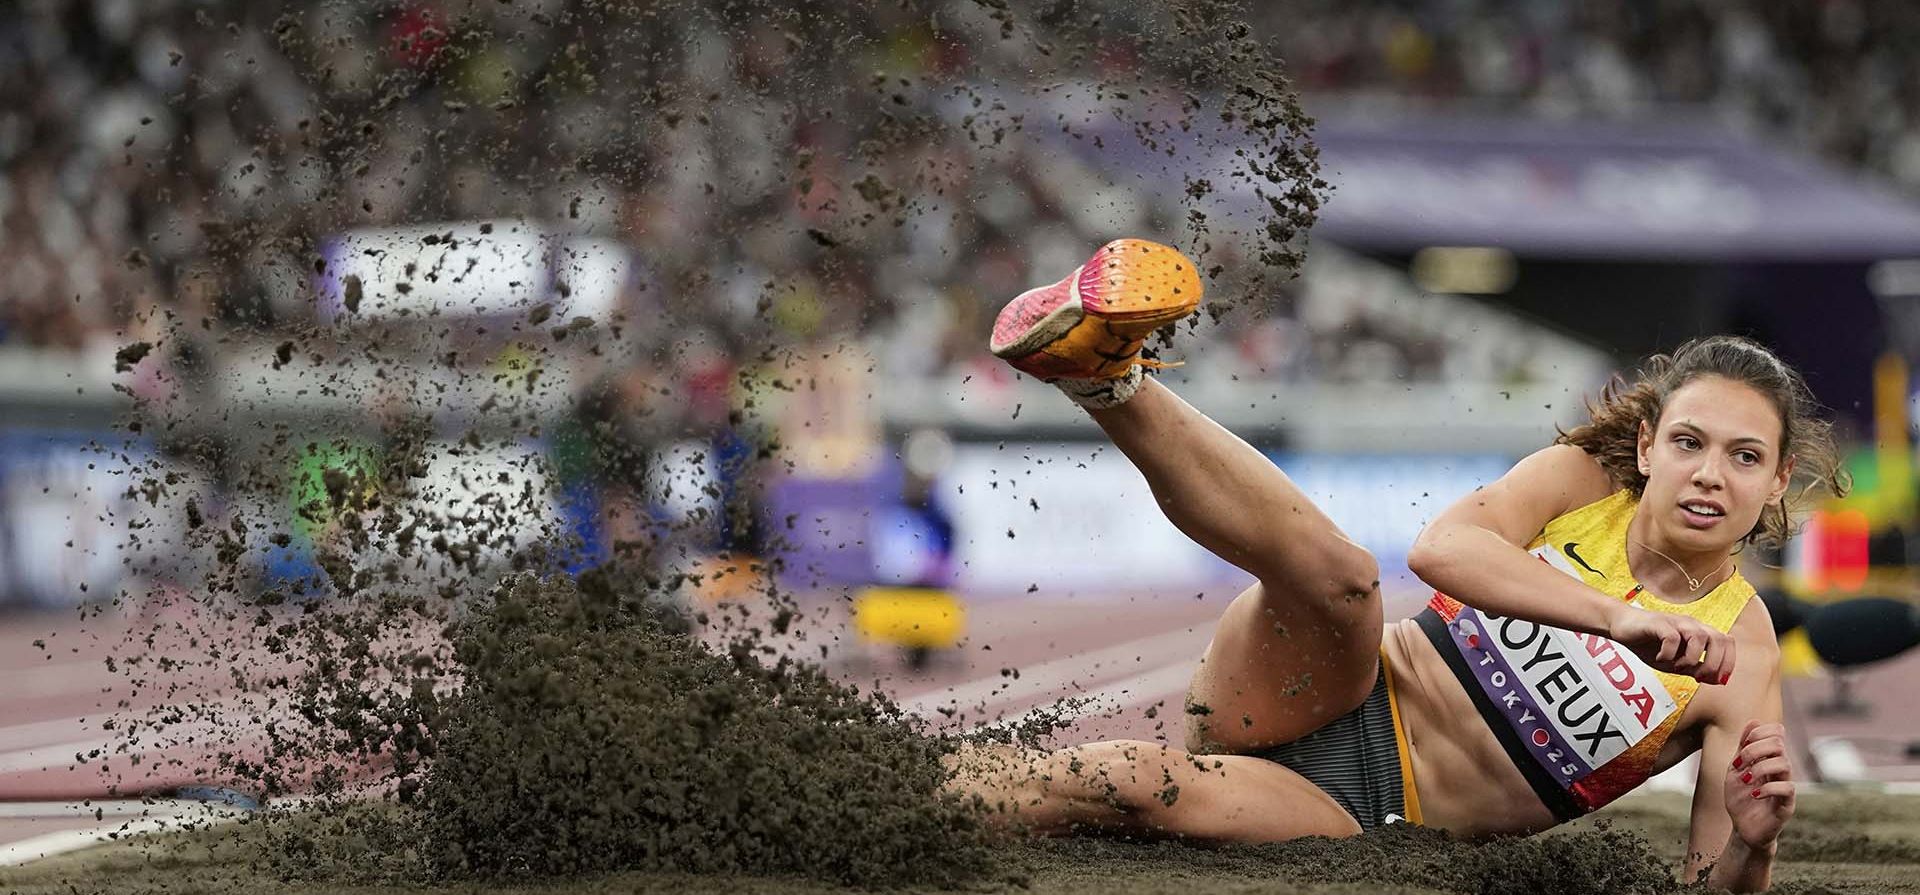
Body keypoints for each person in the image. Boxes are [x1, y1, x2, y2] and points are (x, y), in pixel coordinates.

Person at [944, 239, 1849, 893]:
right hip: (1328, 685)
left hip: (1367, 812)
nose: (1707, 473)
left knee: (1140, 787)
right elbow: (1439, 549)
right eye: (1688, 442)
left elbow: (1709, 881)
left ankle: (904, 802)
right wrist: (1615, 618)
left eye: (1741, 456)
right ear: (1648, 445)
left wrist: (1755, 849)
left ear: (1776, 480)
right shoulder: (1587, 483)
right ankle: (1105, 376)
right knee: (1344, 575)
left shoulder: (1744, 652)